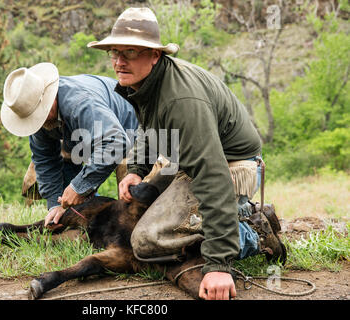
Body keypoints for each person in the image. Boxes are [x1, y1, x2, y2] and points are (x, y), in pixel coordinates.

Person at [87, 7, 285, 300]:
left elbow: (211, 173)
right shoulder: (147, 82)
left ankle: (252, 232)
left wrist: (218, 265)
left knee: (146, 240)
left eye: (129, 51)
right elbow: (149, 129)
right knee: (141, 209)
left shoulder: (181, 99)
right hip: (186, 162)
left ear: (155, 55)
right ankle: (234, 219)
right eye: (114, 52)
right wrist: (136, 170)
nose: (119, 61)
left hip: (231, 169)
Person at [0, 62, 138, 226]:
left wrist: (79, 187)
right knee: (41, 174)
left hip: (131, 133)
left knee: (135, 208)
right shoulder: (36, 115)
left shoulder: (80, 102)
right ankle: (84, 215)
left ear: (48, 98)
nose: (39, 120)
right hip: (84, 138)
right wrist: (55, 205)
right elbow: (45, 159)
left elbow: (115, 143)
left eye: (39, 114)